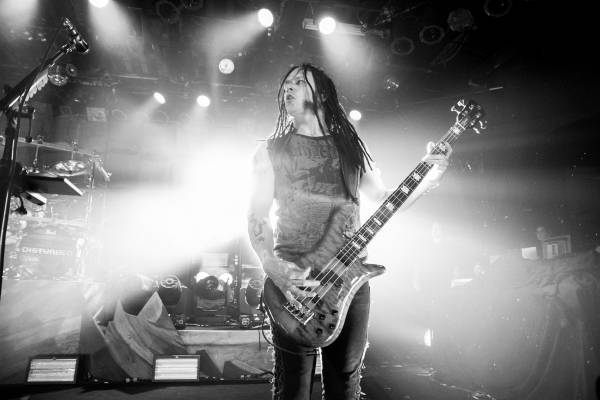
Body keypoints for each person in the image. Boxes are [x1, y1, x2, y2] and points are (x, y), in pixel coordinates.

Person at [247, 63, 451, 400]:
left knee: (346, 385)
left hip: (350, 280)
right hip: (295, 285)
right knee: (293, 389)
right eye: (286, 83)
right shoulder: (270, 151)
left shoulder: (351, 148)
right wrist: (272, 267)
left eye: (299, 82)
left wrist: (431, 177)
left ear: (322, 95)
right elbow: (257, 216)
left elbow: (385, 199)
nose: (288, 87)